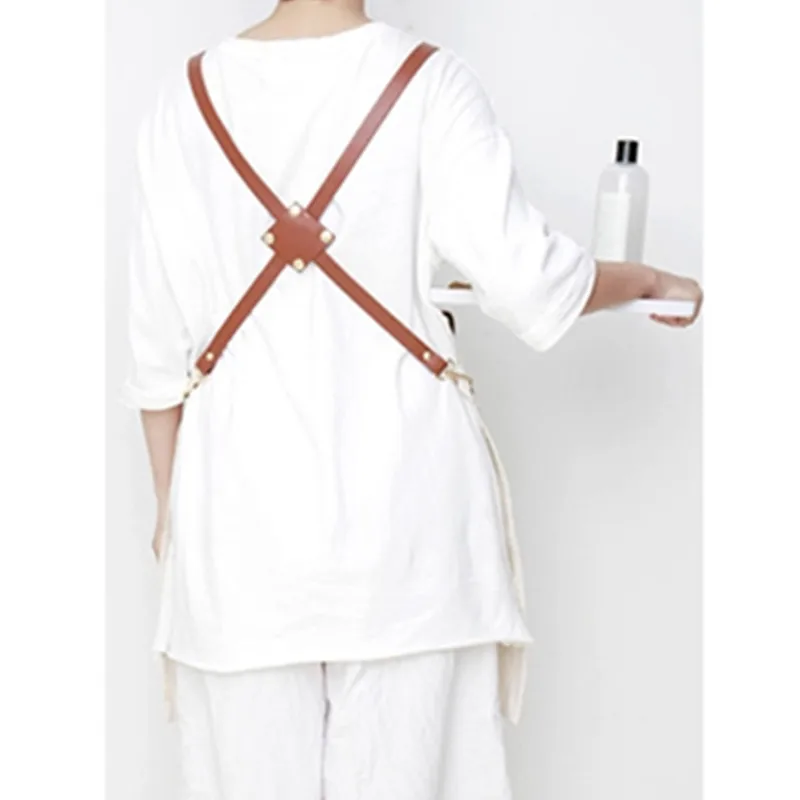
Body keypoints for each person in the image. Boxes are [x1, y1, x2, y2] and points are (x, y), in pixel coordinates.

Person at [122, 1, 703, 798]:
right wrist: (645, 278)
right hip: (408, 532)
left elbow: (158, 349)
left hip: (238, 531)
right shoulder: (431, 83)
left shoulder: (183, 101)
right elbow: (527, 282)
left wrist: (171, 506)